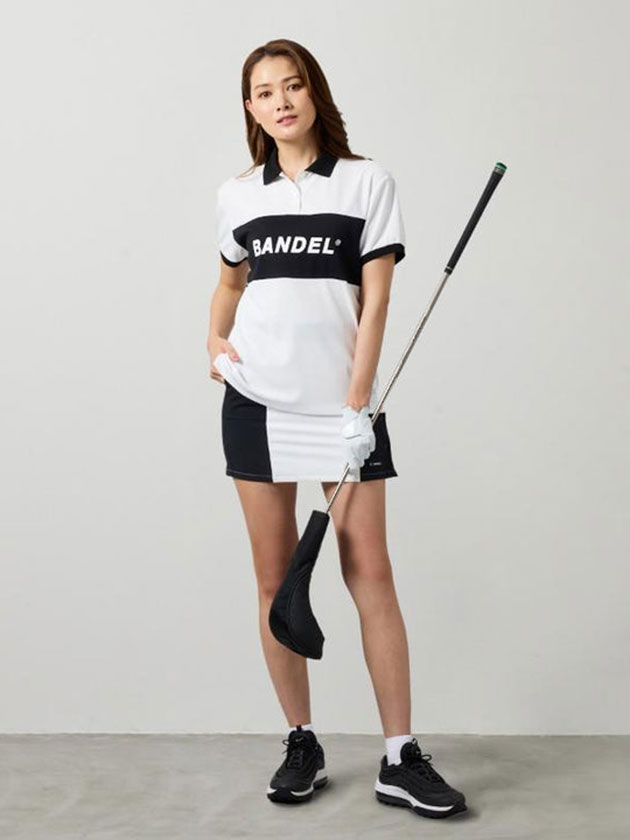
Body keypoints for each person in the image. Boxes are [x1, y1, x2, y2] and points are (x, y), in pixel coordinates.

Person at [206, 38, 467, 820]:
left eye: (293, 86)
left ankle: (399, 756)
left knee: (370, 571)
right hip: (257, 404)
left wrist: (358, 407)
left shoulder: (365, 182)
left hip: (341, 410)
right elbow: (228, 283)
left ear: (314, 93)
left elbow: (376, 301)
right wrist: (213, 342)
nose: (281, 101)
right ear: (251, 109)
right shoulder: (237, 196)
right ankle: (302, 742)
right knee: (274, 578)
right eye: (264, 92)